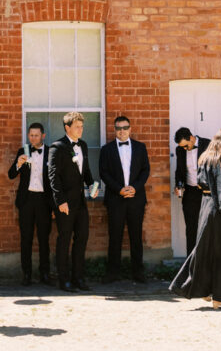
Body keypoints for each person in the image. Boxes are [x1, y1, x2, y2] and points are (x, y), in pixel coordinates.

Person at [169, 128, 221, 309]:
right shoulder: (218, 162)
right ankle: (220, 298)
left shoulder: (204, 159)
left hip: (206, 209)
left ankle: (204, 290)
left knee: (206, 252)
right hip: (218, 212)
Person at [99, 115, 150, 283]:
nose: (122, 131)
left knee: (136, 237)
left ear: (130, 128)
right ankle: (112, 273)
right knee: (115, 237)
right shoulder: (106, 150)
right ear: (114, 130)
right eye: (118, 128)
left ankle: (138, 272)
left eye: (125, 127)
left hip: (136, 198)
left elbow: (145, 171)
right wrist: (120, 190)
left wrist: (134, 187)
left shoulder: (140, 147)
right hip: (116, 199)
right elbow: (103, 173)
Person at [48, 111, 94, 292]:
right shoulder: (57, 147)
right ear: (67, 128)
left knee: (82, 238)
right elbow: (53, 176)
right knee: (64, 240)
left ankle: (78, 278)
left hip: (81, 202)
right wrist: (60, 201)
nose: (81, 129)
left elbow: (86, 171)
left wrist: (92, 185)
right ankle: (64, 280)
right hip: (65, 203)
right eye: (77, 126)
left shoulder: (83, 145)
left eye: (82, 126)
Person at [7, 123, 54, 286]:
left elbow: (56, 180)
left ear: (43, 136)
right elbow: (11, 175)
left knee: (43, 239)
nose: (33, 138)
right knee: (25, 238)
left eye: (36, 135)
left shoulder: (50, 153)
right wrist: (19, 164)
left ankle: (45, 274)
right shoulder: (23, 151)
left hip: (44, 201)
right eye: (31, 135)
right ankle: (26, 274)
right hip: (26, 200)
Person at [174, 127, 211, 255]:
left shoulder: (208, 144)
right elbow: (179, 171)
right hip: (190, 193)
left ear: (191, 138)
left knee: (208, 227)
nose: (184, 149)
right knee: (191, 228)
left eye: (186, 146)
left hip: (207, 193)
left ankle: (207, 261)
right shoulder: (180, 150)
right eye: (182, 147)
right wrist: (178, 185)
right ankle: (191, 262)